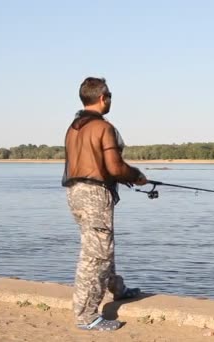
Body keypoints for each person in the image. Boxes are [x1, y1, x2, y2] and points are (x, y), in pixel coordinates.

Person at [62, 77, 147, 331]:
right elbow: (114, 166)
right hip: (94, 195)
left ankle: (117, 289)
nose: (110, 99)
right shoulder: (103, 127)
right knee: (96, 254)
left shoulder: (74, 127)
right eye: (109, 95)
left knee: (100, 244)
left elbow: (92, 164)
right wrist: (136, 176)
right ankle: (86, 316)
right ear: (102, 98)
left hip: (75, 193)